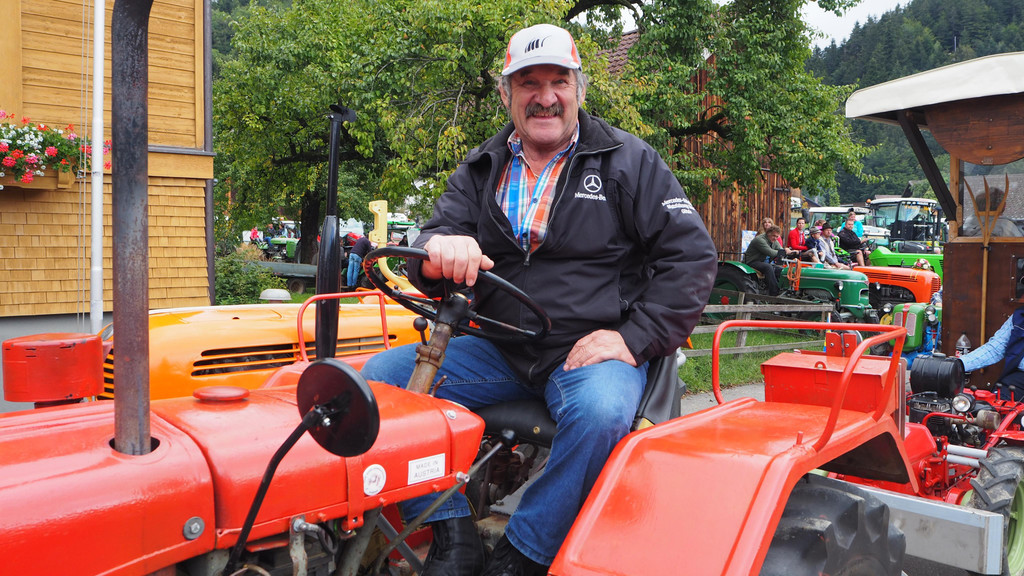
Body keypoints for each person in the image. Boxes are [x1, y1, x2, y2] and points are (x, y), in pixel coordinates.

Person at [360, 23, 717, 576]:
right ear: (507, 94)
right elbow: (431, 242)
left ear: (579, 89)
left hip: (585, 351)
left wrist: (633, 338)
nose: (545, 97)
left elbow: (692, 257)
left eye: (558, 82)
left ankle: (525, 552)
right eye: (529, 82)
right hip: (499, 346)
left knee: (600, 413)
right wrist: (437, 251)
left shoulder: (629, 162)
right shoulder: (481, 168)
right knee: (379, 383)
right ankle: (451, 531)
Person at [959, 308, 1024, 399]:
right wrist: (957, 365)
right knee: (998, 403)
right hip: (1019, 378)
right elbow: (994, 348)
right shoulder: (1019, 317)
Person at [743, 224, 794, 295]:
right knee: (768, 267)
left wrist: (791, 252)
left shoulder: (773, 241)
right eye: (773, 236)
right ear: (768, 233)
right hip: (752, 261)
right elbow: (771, 253)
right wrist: (784, 251)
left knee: (780, 270)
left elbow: (780, 250)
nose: (775, 238)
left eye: (777, 236)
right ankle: (774, 292)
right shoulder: (759, 240)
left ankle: (785, 289)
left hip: (763, 262)